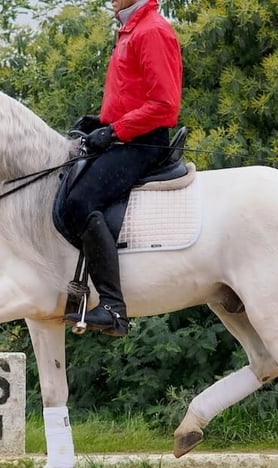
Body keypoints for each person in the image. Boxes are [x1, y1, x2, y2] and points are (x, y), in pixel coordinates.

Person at [63, 0, 183, 337]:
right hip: (126, 136)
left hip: (142, 143)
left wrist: (114, 131)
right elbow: (132, 95)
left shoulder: (153, 30)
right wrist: (99, 122)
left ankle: (113, 307)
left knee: (80, 202)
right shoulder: (130, 29)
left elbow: (164, 106)